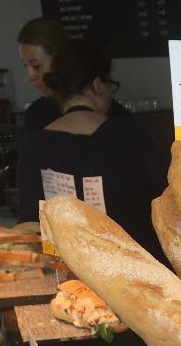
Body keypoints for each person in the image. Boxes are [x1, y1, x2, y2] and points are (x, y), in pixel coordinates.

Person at [16, 40, 166, 259]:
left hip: (65, 275)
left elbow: (29, 226)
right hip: (136, 274)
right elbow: (167, 202)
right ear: (97, 85)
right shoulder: (130, 137)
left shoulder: (34, 147)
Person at [18, 18, 131, 132]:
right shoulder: (36, 114)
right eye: (25, 66)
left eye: (36, 66)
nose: (30, 76)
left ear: (60, 59)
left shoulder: (115, 115)